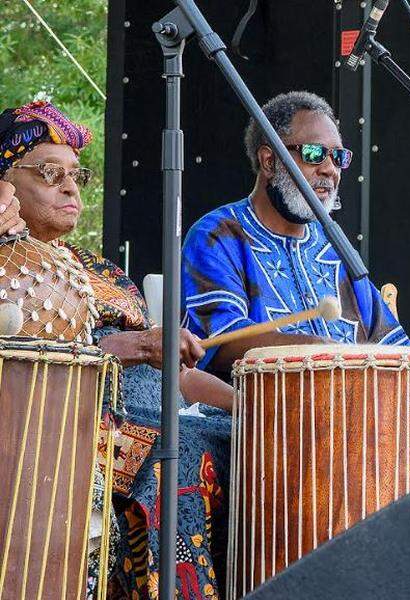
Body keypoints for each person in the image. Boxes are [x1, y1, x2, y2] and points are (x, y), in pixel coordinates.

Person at [0, 100, 234, 599]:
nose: (69, 187)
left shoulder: (104, 272)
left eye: (74, 175)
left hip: (159, 409)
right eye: (48, 172)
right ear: (5, 182)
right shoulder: (8, 268)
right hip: (74, 427)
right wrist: (125, 347)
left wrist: (250, 407)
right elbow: (31, 369)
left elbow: (177, 375)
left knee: (245, 438)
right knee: (180, 451)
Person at [181, 91, 407, 379]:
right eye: (314, 154)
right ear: (269, 161)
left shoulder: (334, 248)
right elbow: (219, 343)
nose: (329, 169)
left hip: (352, 416)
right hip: (245, 419)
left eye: (338, 157)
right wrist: (318, 352)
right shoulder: (218, 236)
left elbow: (393, 346)